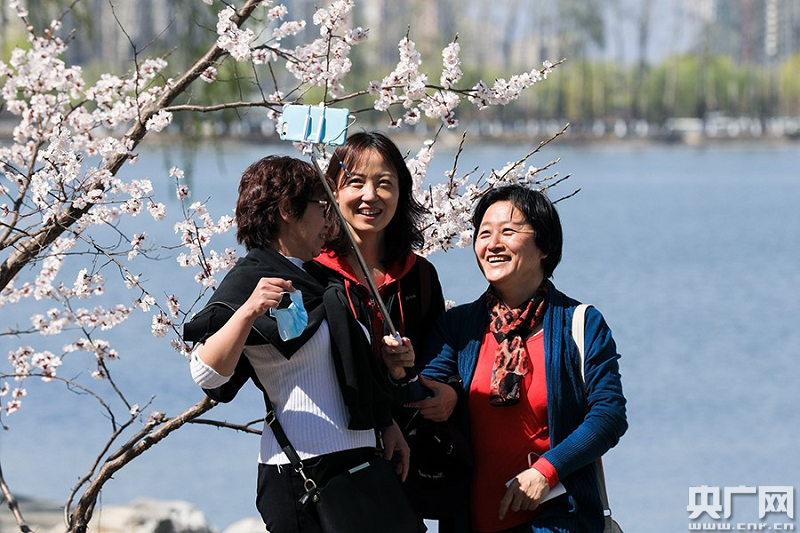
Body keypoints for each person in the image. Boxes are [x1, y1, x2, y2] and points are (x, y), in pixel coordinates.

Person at [183, 155, 409, 533]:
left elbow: (350, 370)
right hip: (303, 471)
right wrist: (249, 311)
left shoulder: (326, 280)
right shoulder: (250, 282)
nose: (330, 221)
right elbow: (205, 374)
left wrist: (386, 422)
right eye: (324, 208)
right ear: (289, 209)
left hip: (362, 462)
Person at [385, 184, 628, 532]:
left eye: (508, 232)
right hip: (472, 521)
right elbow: (427, 390)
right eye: (484, 234)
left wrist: (547, 470)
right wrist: (410, 377)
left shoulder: (581, 324)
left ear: (544, 245)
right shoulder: (458, 326)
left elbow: (608, 416)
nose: (492, 244)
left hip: (560, 521)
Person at [313, 131, 464, 524]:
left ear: (402, 192)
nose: (371, 195)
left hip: (408, 459)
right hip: (332, 455)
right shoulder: (311, 271)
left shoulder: (420, 275)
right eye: (356, 182)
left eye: (385, 183)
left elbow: (439, 358)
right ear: (333, 190)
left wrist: (446, 392)